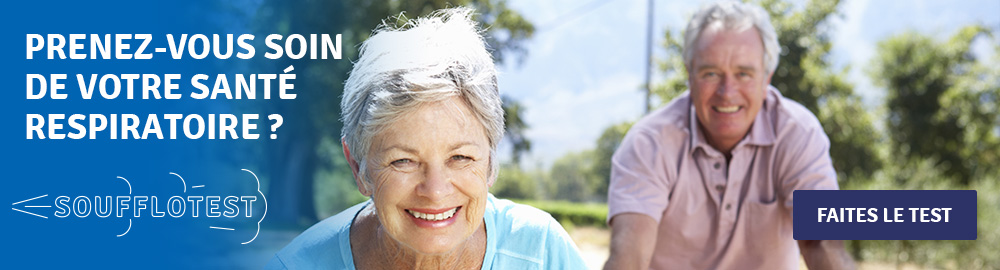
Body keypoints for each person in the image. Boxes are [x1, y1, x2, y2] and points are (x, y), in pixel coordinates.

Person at [265, 7, 586, 270]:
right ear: (357, 165)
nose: (435, 192)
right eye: (403, 161)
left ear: (490, 159)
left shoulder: (542, 252)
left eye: (460, 157)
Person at [604, 1, 854, 269]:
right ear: (689, 73)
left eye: (743, 74)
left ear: (766, 77)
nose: (727, 92)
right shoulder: (648, 143)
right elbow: (629, 254)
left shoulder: (798, 134)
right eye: (711, 74)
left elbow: (821, 242)